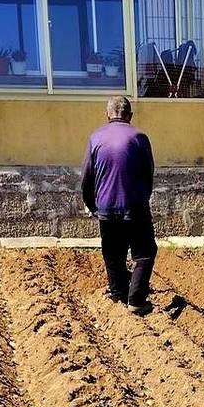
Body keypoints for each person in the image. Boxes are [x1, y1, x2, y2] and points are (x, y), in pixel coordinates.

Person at [79, 96, 157, 315]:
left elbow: (86, 177)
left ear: (107, 114)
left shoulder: (96, 138)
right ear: (129, 115)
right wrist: (143, 198)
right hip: (135, 206)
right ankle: (136, 300)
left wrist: (93, 205)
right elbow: (148, 173)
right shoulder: (139, 138)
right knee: (144, 253)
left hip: (106, 207)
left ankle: (118, 295)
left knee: (113, 254)